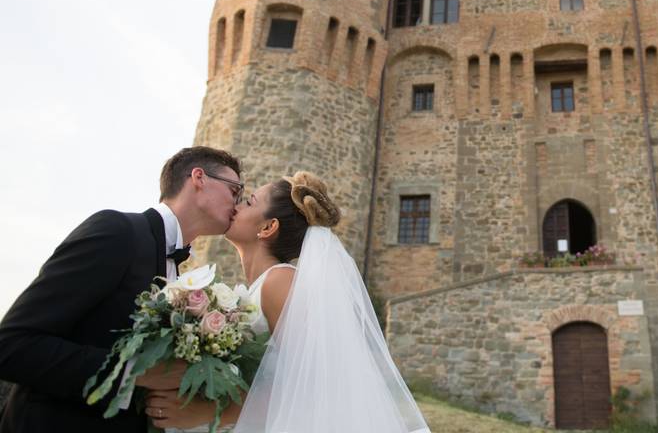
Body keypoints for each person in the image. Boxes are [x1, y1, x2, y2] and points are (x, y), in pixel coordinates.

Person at [147, 172, 430, 433]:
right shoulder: (250, 291)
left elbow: (312, 384)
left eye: (249, 201)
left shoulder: (279, 282)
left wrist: (206, 412)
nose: (237, 205)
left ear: (268, 227)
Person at [0, 146, 243, 433]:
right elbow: (12, 345)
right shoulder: (118, 231)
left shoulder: (180, 275)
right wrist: (136, 371)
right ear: (199, 178)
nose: (238, 205)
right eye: (234, 190)